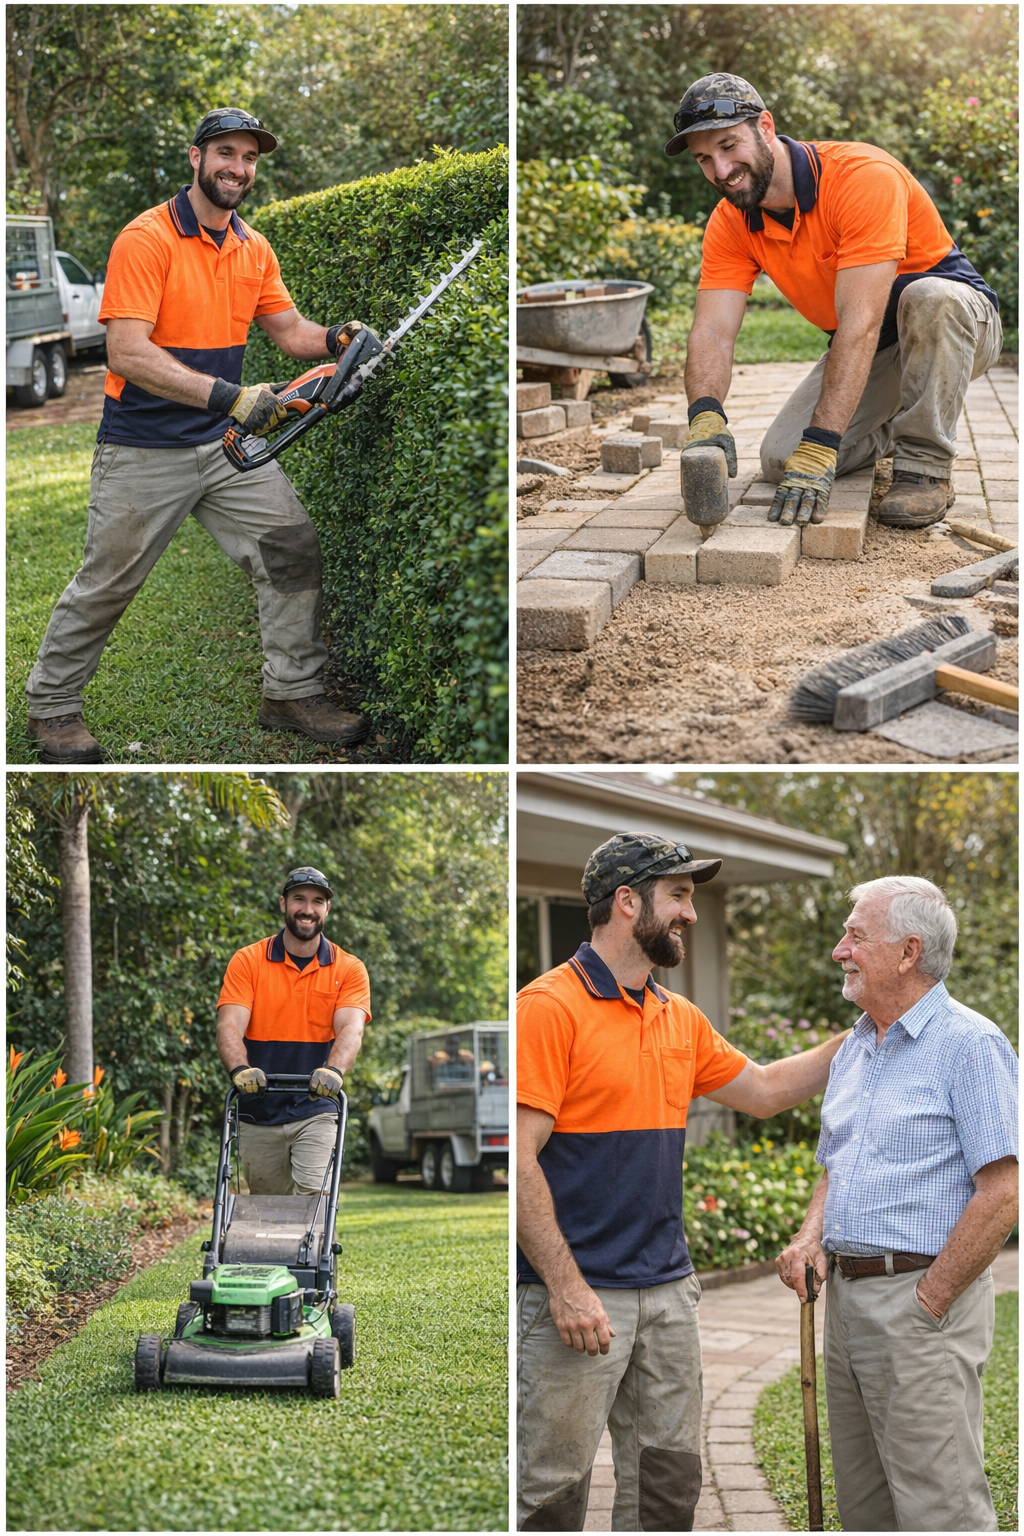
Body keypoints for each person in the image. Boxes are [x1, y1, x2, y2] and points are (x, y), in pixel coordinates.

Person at [516, 832, 851, 1532]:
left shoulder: (678, 1017)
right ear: (627, 901)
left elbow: (762, 1089)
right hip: (576, 1298)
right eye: (678, 896)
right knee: (551, 1494)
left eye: (692, 899)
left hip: (667, 1292)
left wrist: (867, 1031)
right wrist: (568, 1288)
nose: (690, 914)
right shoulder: (549, 1008)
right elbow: (519, 1159)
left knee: (667, 1486)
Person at [27, 107, 373, 763]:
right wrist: (231, 397)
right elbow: (126, 352)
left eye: (249, 158)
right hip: (142, 448)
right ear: (196, 157)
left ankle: (290, 694)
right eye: (226, 154)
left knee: (292, 548)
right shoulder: (146, 238)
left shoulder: (253, 248)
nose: (237, 168)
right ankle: (52, 709)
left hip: (222, 447)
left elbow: (291, 331)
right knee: (107, 583)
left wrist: (336, 339)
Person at [777, 876, 1017, 1532]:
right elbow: (837, 1164)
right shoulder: (857, 1047)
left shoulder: (971, 1046)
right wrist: (810, 1237)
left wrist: (930, 1301)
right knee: (866, 1506)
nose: (838, 951)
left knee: (940, 1506)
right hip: (848, 1306)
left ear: (909, 952)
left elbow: (1003, 1192)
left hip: (919, 1303)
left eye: (855, 936)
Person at [667, 74, 1002, 531]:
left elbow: (859, 321)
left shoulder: (861, 177)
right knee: (781, 459)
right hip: (878, 344)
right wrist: (704, 414)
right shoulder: (731, 221)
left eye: (729, 147)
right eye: (705, 159)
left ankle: (924, 467)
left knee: (929, 296)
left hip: (956, 323)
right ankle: (900, 421)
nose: (721, 171)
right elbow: (712, 331)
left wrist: (824, 442)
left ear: (765, 127)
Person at [216, 866, 370, 1197]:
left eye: (317, 901)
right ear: (283, 903)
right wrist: (240, 1068)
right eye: (299, 899)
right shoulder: (248, 961)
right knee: (268, 1208)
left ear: (327, 909)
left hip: (316, 1105)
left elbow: (351, 1030)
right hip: (259, 1107)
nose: (308, 909)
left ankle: (313, 1252)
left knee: (315, 1196)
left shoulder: (349, 968)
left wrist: (333, 1070)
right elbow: (229, 1024)